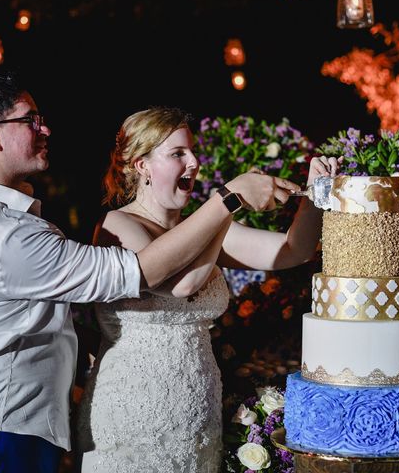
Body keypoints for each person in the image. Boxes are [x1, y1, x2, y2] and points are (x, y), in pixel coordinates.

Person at [0, 72, 285, 473]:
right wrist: (227, 200)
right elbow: (139, 271)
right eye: (30, 120)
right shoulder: (4, 236)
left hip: (8, 417)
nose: (45, 128)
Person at [76, 107, 340, 473]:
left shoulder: (207, 226)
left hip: (197, 406)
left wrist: (315, 192)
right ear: (141, 166)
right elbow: (181, 285)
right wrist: (229, 201)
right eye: (177, 154)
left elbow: (294, 251)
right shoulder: (118, 224)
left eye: (192, 151)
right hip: (131, 410)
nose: (194, 162)